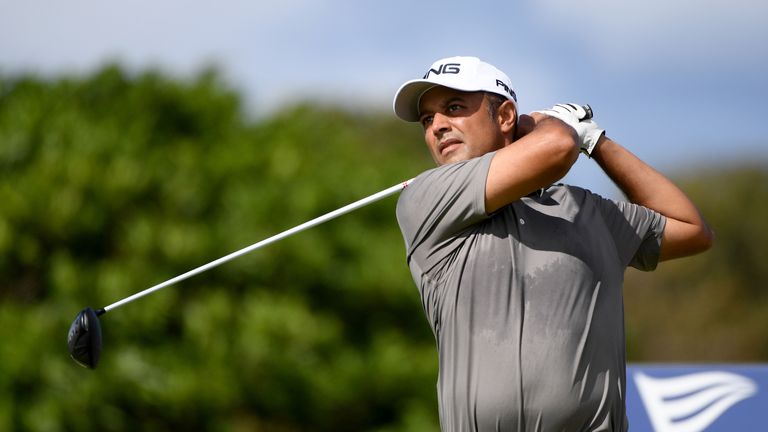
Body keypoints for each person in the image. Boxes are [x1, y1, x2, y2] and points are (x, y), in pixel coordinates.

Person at [391, 56, 714, 431]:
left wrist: (596, 141)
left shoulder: (585, 210)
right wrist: (550, 124)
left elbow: (692, 230)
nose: (438, 127)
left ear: (505, 116)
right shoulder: (425, 199)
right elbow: (558, 146)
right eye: (428, 119)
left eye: (454, 108)